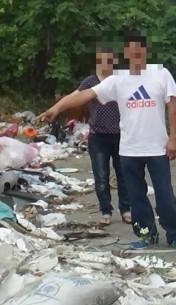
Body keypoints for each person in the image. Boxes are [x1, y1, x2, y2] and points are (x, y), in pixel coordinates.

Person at [39, 31, 176, 251]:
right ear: (126, 53)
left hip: (157, 147)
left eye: (138, 50)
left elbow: (172, 106)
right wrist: (57, 108)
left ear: (145, 51)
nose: (134, 54)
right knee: (136, 196)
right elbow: (86, 94)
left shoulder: (161, 74)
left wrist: (173, 139)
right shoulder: (118, 79)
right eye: (129, 50)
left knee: (165, 195)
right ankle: (146, 234)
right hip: (129, 149)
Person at [43, 48, 132, 226]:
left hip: (121, 135)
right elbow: (75, 97)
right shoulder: (90, 82)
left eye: (110, 59)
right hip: (98, 136)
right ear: (98, 61)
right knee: (101, 176)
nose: (106, 62)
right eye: (102, 59)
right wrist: (56, 108)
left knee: (124, 176)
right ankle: (106, 211)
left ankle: (126, 209)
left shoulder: (121, 80)